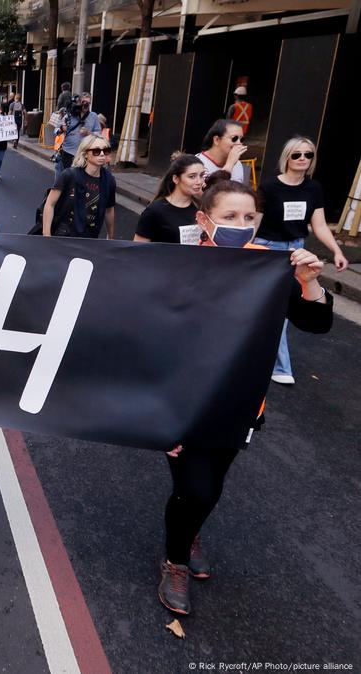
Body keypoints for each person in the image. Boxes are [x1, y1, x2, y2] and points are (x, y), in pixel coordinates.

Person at [157, 171, 332, 617]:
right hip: (183, 405)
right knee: (194, 489)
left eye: (249, 216)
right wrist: (159, 415)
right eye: (229, 215)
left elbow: (316, 322)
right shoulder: (175, 267)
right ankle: (174, 560)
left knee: (210, 487)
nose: (241, 222)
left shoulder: (272, 267)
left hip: (241, 407)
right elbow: (146, 339)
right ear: (204, 219)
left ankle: (188, 530)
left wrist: (310, 282)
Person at [256, 137, 349, 386]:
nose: (302, 160)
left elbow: (318, 225)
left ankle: (276, 364)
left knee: (285, 308)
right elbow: (254, 222)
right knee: (274, 308)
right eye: (296, 155)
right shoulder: (269, 187)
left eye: (308, 155)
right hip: (268, 249)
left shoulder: (313, 189)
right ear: (286, 157)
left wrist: (336, 251)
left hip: (297, 250)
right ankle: (279, 365)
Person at [42, 134, 116, 239]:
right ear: (85, 154)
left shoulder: (109, 181)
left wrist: (110, 237)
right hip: (64, 236)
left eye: (106, 150)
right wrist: (46, 236)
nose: (102, 154)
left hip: (90, 239)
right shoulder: (69, 175)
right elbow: (50, 204)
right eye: (96, 151)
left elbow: (109, 210)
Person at [134, 154, 204, 244]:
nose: (199, 181)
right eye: (192, 176)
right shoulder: (154, 211)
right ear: (176, 179)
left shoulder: (201, 208)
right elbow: (138, 249)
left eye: (201, 175)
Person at [54, 92, 100, 181]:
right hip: (68, 153)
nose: (85, 105)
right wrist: (61, 129)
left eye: (88, 103)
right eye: (83, 102)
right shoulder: (69, 115)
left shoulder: (93, 116)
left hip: (85, 154)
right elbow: (55, 131)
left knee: (81, 180)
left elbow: (99, 134)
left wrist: (89, 133)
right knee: (66, 180)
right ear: (79, 102)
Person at [197, 120, 247, 184]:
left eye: (241, 139)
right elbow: (211, 192)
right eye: (234, 138)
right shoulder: (197, 163)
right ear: (216, 140)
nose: (239, 143)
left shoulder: (238, 164)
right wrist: (230, 164)